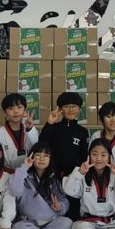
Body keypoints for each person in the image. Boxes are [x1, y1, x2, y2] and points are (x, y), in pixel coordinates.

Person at [9, 142, 73, 229]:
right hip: (28, 222)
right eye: (38, 155)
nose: (42, 159)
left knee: (67, 224)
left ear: (50, 159)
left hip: (50, 222)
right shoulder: (24, 176)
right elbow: (14, 190)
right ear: (31, 157)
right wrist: (24, 167)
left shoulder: (54, 179)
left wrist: (59, 207)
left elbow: (64, 201)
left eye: (46, 156)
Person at [39, 92, 90, 221]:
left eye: (74, 106)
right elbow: (42, 145)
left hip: (74, 177)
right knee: (53, 206)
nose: (71, 109)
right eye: (67, 106)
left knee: (73, 210)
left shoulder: (82, 132)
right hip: (53, 177)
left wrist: (81, 175)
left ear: (79, 109)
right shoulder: (53, 128)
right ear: (60, 109)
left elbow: (84, 156)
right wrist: (49, 123)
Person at [0, 93, 39, 169]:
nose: (16, 111)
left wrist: (29, 129)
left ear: (24, 110)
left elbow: (36, 148)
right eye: (11, 108)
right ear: (5, 113)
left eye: (19, 107)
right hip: (7, 173)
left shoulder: (30, 129)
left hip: (29, 171)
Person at [88, 102, 115, 174]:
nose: (113, 120)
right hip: (96, 176)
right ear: (102, 121)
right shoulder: (95, 136)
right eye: (109, 116)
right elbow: (89, 159)